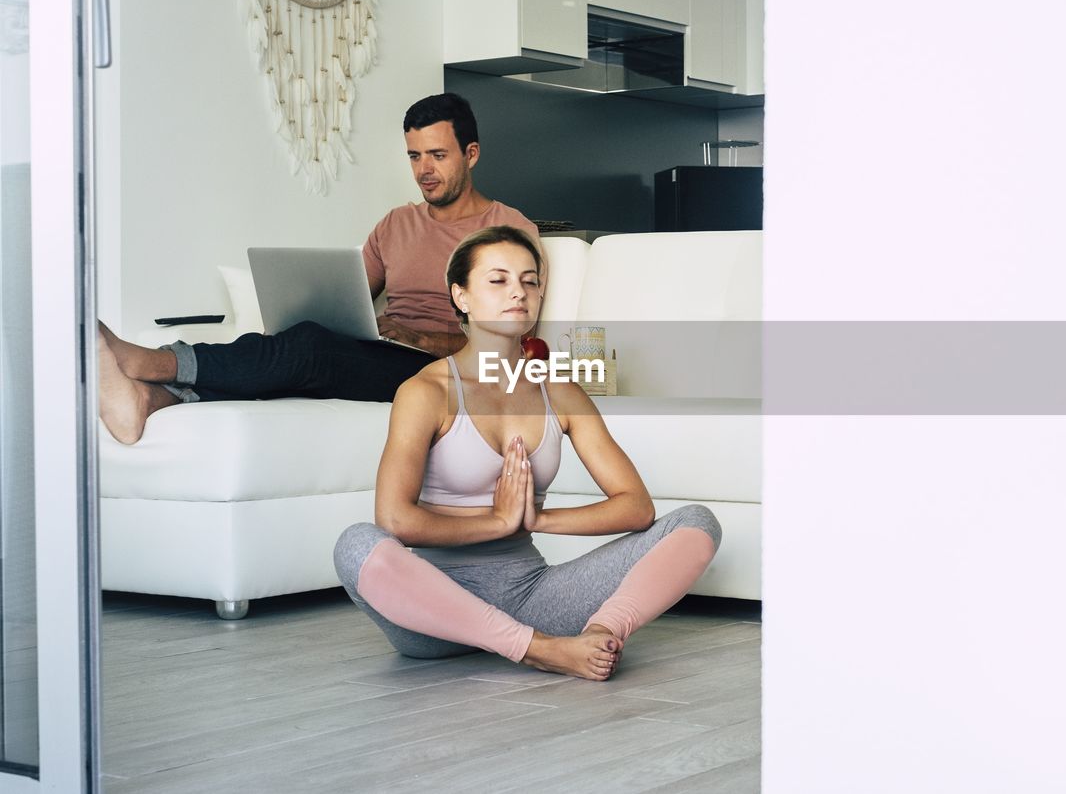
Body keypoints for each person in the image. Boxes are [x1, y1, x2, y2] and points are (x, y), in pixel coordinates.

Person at [332, 226, 720, 680]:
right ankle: (538, 650)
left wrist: (536, 521)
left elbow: (636, 508)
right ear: (461, 296)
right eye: (498, 280)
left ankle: (598, 637)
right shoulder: (425, 392)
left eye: (529, 280)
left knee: (697, 523)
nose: (518, 292)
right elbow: (395, 521)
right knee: (356, 544)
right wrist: (495, 522)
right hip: (435, 616)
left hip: (534, 597)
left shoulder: (560, 391)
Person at [97, 93, 541, 445]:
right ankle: (147, 400)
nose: (423, 170)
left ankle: (151, 363)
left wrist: (421, 337)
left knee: (309, 349)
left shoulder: (508, 230)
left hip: (450, 373)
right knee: (290, 350)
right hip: (386, 357)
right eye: (414, 156)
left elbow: (510, 343)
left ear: (472, 154)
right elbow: (349, 299)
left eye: (438, 156)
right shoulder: (396, 223)